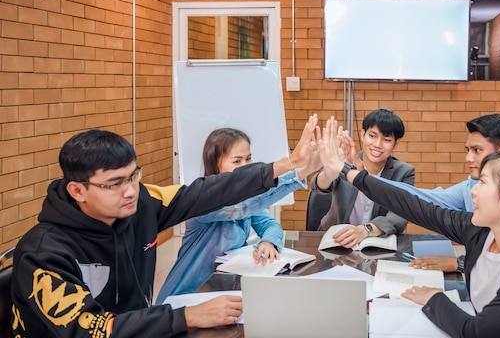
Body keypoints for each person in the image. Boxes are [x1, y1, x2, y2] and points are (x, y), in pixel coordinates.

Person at [11, 115, 319, 338]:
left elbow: (205, 192)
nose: (130, 190)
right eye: (114, 184)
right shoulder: (43, 253)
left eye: (133, 176)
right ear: (77, 191)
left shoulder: (141, 205)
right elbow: (92, 329)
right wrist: (186, 316)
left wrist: (287, 164)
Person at [317, 118, 500, 337]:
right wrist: (348, 171)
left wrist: (433, 299)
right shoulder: (481, 231)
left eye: (483, 183)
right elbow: (416, 206)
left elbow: (478, 332)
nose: (472, 192)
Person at [156, 127, 317, 304]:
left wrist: (268, 242)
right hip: (184, 300)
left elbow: (270, 224)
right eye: (236, 161)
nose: (246, 167)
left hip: (222, 295)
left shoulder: (247, 199)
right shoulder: (204, 201)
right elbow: (243, 208)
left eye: (248, 159)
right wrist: (298, 174)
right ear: (215, 164)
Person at [308, 108, 414, 248]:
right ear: (363, 134)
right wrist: (329, 173)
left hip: (376, 243)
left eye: (386, 139)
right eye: (372, 136)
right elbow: (318, 187)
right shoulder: (345, 159)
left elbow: (399, 216)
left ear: (396, 143)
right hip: (335, 240)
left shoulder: (404, 172)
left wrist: (366, 230)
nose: (377, 144)